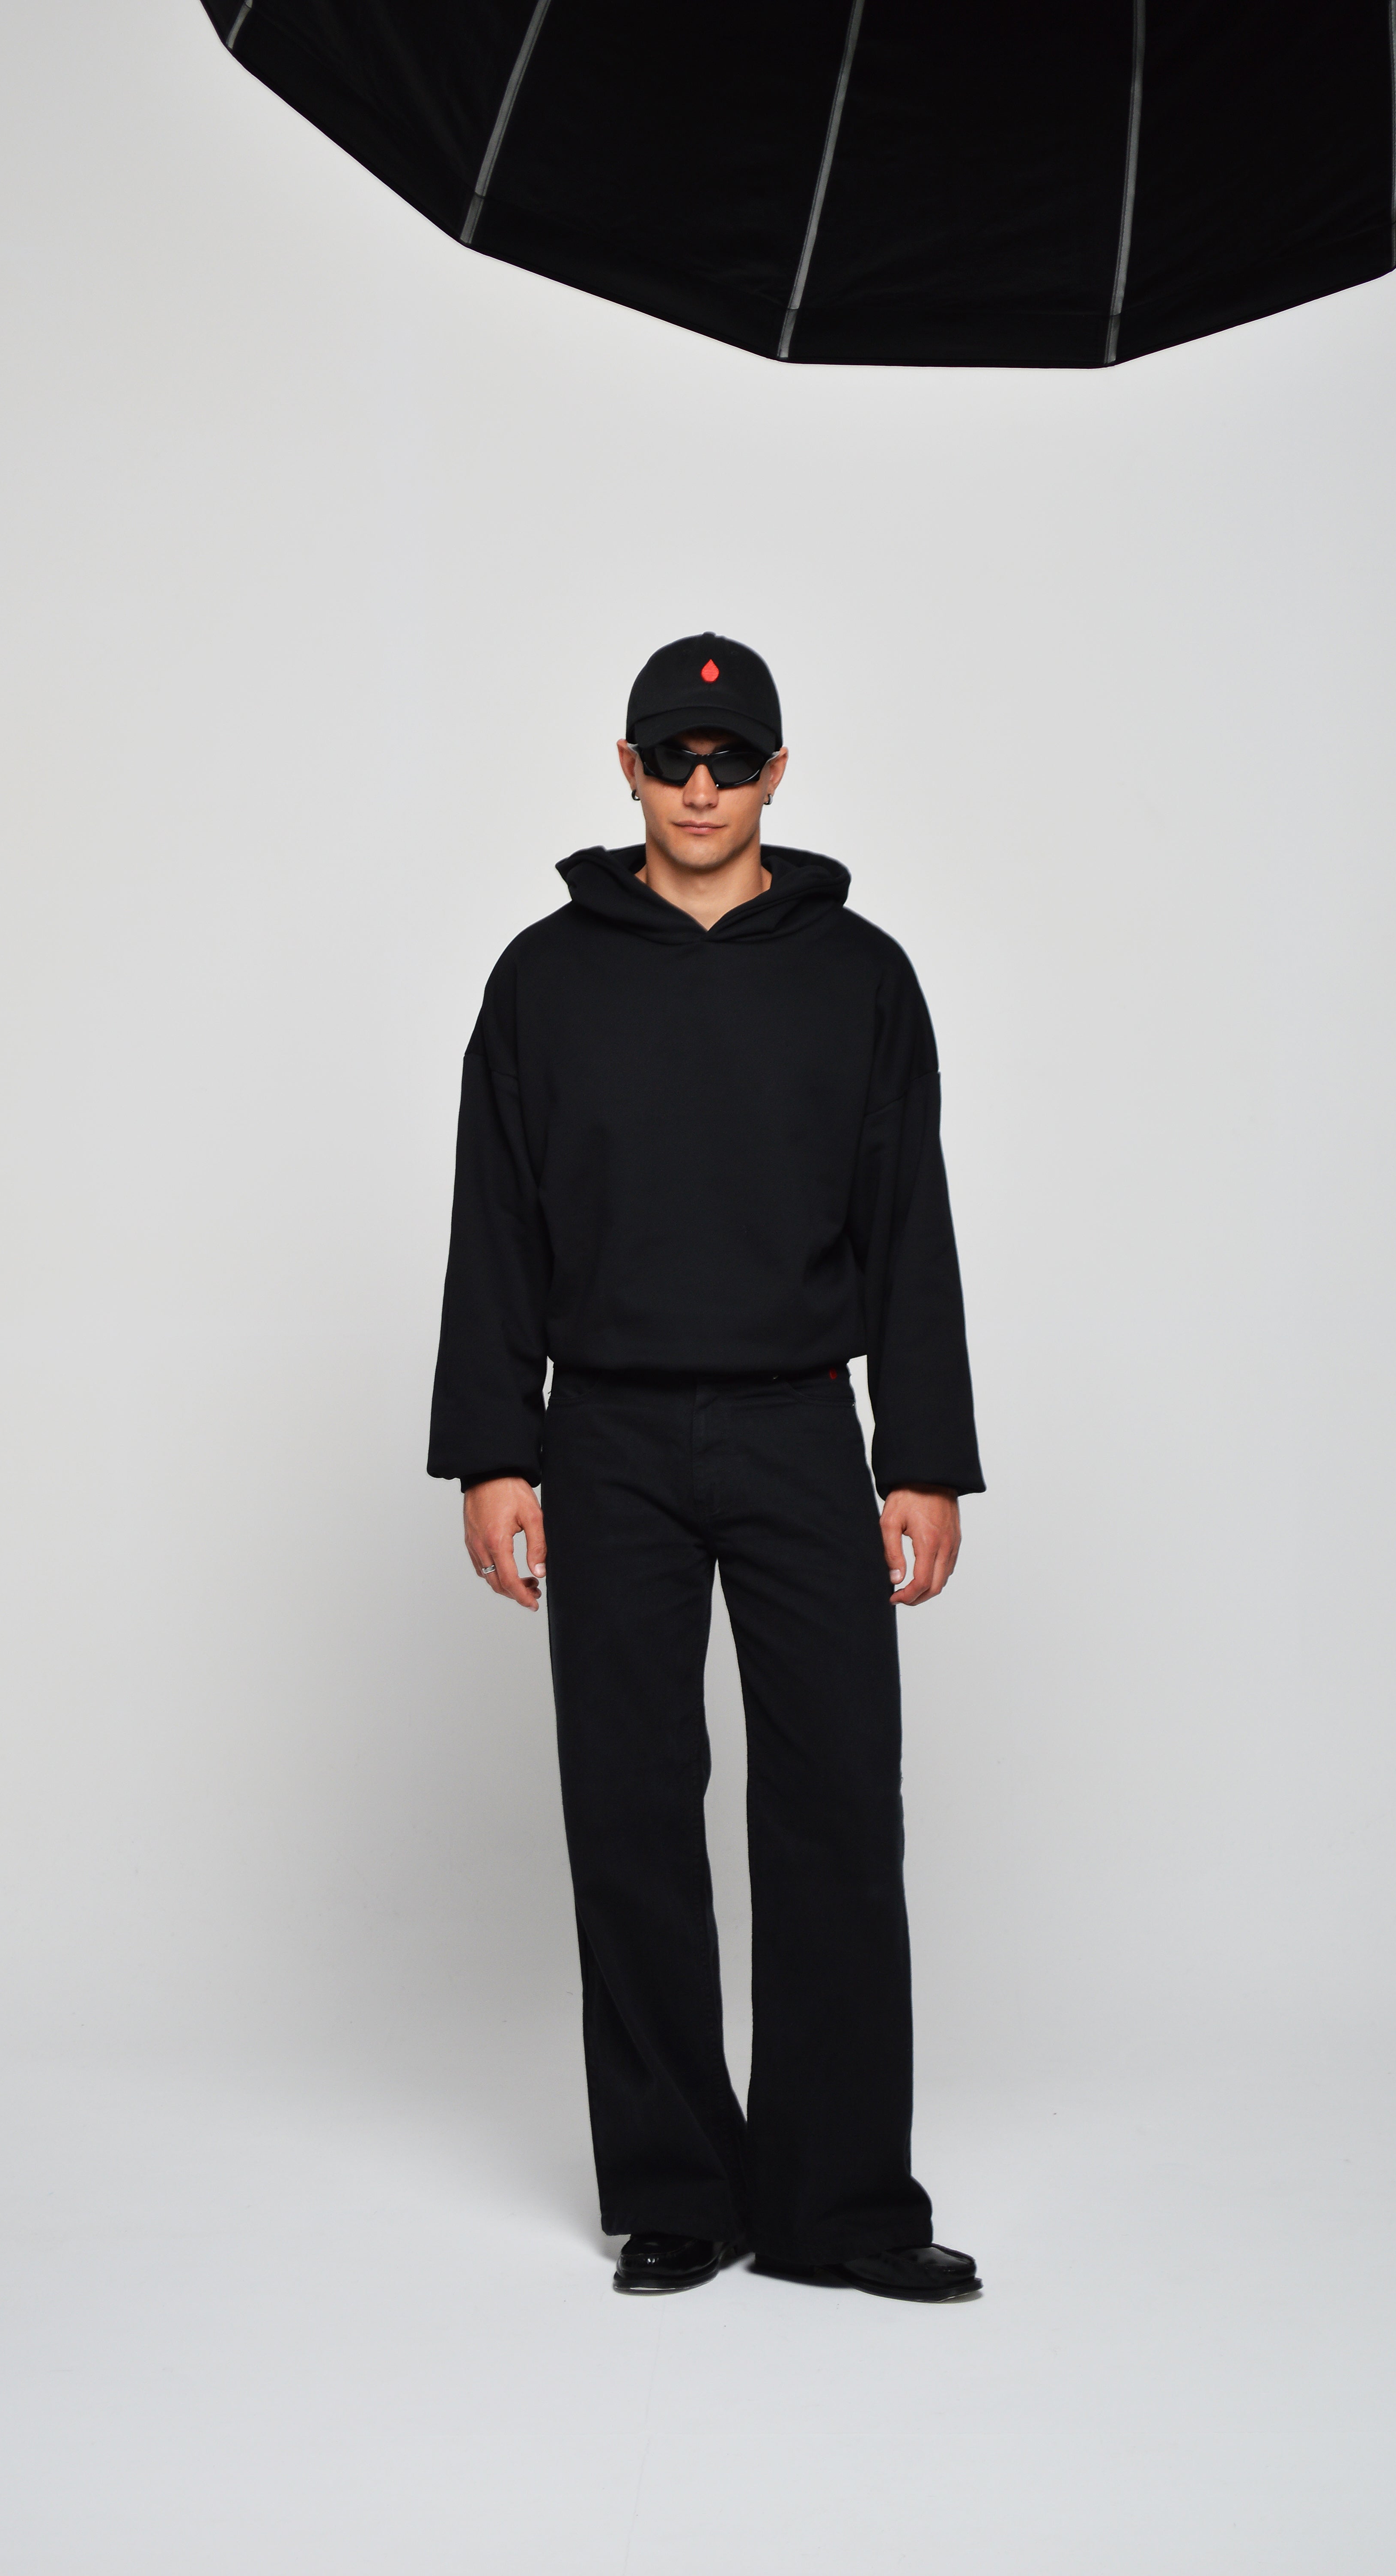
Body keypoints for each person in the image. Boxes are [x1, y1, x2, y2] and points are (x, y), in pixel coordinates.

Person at [429, 632, 985, 2302]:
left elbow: (908, 1217)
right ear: (626, 767)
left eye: (728, 760)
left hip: (802, 1423)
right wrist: (493, 1449)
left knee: (837, 1804)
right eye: (670, 755)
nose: (697, 784)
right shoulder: (543, 979)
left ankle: (839, 2205)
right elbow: (495, 1218)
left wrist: (924, 1456)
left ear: (775, 776)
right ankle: (677, 2188)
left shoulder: (859, 975)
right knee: (629, 1807)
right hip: (601, 1434)